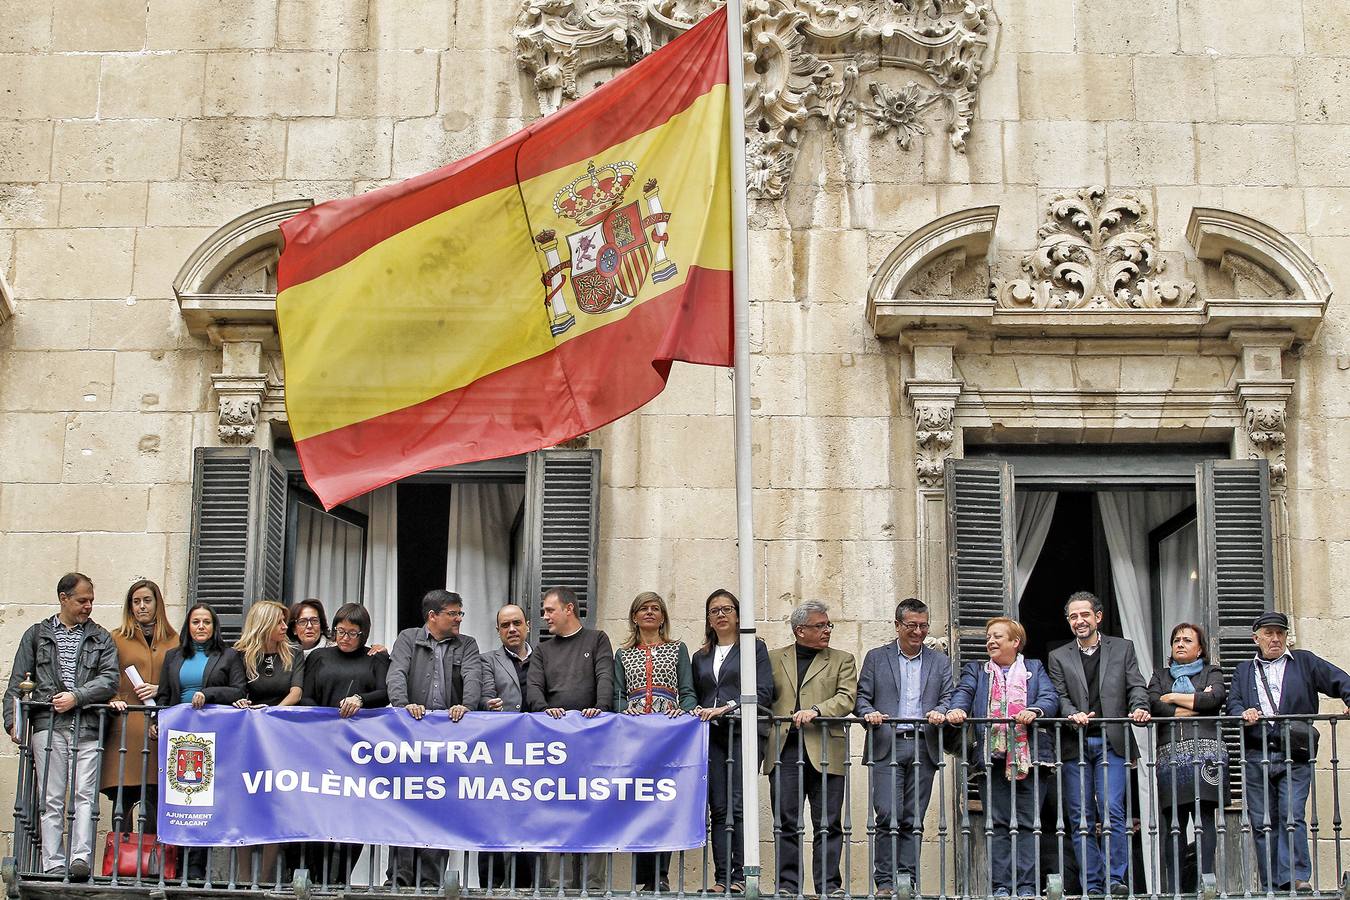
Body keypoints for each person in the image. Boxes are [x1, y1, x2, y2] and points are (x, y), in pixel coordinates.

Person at [3, 573, 119, 881]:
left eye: (91, 600)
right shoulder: (36, 634)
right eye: (82, 600)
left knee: (84, 795)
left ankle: (80, 858)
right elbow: (18, 683)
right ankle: (52, 862)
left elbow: (109, 680)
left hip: (88, 726)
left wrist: (76, 697)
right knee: (51, 797)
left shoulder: (101, 637)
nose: (88, 606)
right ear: (63, 598)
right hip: (48, 725)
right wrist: (13, 721)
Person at [1227, 611, 1350, 892]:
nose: (1275, 639)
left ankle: (1294, 877)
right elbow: (1233, 702)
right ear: (1255, 638)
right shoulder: (1244, 670)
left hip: (1295, 752)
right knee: (1261, 821)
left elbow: (1340, 679)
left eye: (1280, 633)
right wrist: (1242, 712)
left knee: (1292, 814)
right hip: (1257, 753)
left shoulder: (1304, 662)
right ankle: (1273, 884)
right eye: (1268, 633)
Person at [1046, 591, 1150, 897]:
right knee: (1080, 817)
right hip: (1073, 743)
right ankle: (1092, 884)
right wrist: (1071, 713)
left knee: (1113, 810)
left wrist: (1140, 707)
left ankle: (1114, 878)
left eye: (1085, 615)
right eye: (1073, 616)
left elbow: (1136, 686)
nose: (1079, 621)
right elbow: (1058, 695)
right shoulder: (1058, 655)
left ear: (1098, 617)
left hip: (1111, 741)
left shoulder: (1123, 648)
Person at [946, 617, 1058, 899]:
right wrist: (957, 711)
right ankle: (1000, 887)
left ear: (1015, 642)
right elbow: (963, 694)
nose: (990, 642)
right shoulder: (977, 670)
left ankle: (1027, 887)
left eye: (997, 637)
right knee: (996, 823)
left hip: (1030, 758)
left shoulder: (1034, 668)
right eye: (988, 637)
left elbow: (1050, 698)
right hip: (991, 757)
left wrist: (1034, 710)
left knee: (1027, 823)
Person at [855, 598, 953, 896]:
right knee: (887, 813)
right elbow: (861, 699)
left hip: (924, 745)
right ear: (897, 625)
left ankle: (906, 880)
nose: (918, 632)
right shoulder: (876, 657)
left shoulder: (940, 661)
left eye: (923, 626)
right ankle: (885, 882)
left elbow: (948, 697)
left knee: (914, 817)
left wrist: (941, 711)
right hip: (887, 743)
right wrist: (868, 714)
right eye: (911, 625)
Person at [386, 589, 483, 889]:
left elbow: (473, 677)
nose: (458, 619)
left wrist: (466, 706)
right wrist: (403, 707)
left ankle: (430, 881)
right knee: (404, 804)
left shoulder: (467, 644)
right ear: (432, 616)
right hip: (411, 736)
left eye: (459, 613)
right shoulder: (408, 638)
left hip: (448, 739)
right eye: (453, 613)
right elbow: (396, 674)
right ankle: (399, 881)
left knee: (439, 806)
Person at [765, 600, 858, 898]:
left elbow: (847, 699)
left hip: (826, 749)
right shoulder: (772, 658)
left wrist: (817, 709)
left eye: (828, 625)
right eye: (820, 625)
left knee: (828, 823)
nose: (826, 630)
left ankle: (829, 886)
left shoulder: (842, 659)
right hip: (784, 750)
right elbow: (761, 698)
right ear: (799, 630)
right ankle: (788, 885)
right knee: (786, 821)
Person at [525, 586, 614, 893]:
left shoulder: (597, 639)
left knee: (595, 812)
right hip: (554, 745)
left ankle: (594, 889)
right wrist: (546, 711)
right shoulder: (542, 650)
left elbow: (605, 676)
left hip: (593, 743)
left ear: (568, 609)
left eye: (549, 610)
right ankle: (556, 889)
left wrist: (600, 709)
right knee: (555, 814)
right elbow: (533, 689)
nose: (544, 616)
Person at [155, 602, 247, 881]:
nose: (201, 627)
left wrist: (208, 693)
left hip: (213, 737)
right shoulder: (173, 656)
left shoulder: (229, 656)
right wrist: (155, 722)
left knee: (205, 802)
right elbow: (163, 696)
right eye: (196, 622)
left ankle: (197, 867)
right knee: (180, 801)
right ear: (188, 626)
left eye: (206, 622)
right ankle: (178, 864)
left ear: (214, 627)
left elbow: (239, 690)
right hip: (179, 737)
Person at [613, 591, 697, 891]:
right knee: (640, 801)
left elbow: (687, 690)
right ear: (634, 617)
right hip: (636, 737)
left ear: (663, 617)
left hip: (669, 736)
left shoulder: (677, 649)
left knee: (666, 802)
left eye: (655, 608)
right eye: (643, 609)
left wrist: (683, 712)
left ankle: (661, 875)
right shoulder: (623, 654)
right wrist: (625, 709)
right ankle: (644, 876)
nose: (650, 612)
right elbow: (618, 693)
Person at [301, 603, 389, 886]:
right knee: (319, 812)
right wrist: (325, 717)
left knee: (354, 815)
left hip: (360, 750)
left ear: (363, 634)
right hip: (322, 746)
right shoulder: (318, 657)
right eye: (340, 631)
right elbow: (306, 696)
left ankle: (342, 879)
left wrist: (360, 699)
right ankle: (317, 878)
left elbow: (386, 693)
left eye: (352, 633)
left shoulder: (375, 657)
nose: (345, 638)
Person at [692, 588, 773, 895]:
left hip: (742, 734)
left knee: (738, 805)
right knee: (718, 807)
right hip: (711, 737)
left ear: (738, 615)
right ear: (709, 619)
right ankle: (721, 876)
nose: (721, 614)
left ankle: (740, 876)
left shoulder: (754, 649)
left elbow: (764, 692)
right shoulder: (700, 656)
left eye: (727, 609)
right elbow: (695, 694)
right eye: (715, 610)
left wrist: (727, 707)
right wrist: (698, 709)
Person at [1147, 622, 1227, 895]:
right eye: (1176, 640)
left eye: (1187, 640)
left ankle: (1206, 883)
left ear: (1200, 648)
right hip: (1170, 754)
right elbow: (1154, 705)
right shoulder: (1160, 675)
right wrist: (1194, 702)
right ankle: (1177, 888)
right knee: (1174, 823)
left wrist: (1173, 698)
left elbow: (1215, 699)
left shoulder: (1211, 672)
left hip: (1206, 754)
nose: (1180, 644)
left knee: (1204, 819)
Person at [233, 600, 305, 882]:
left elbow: (297, 692)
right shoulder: (241, 655)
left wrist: (273, 713)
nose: (286, 627)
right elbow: (238, 689)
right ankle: (242, 877)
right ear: (264, 624)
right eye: (280, 622)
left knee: (274, 806)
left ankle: (263, 877)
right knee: (246, 805)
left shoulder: (293, 654)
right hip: (248, 738)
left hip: (280, 735)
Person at [102, 579, 178, 841]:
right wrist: (112, 697)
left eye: (147, 600)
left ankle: (151, 863)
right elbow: (105, 675)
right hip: (126, 727)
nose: (142, 606)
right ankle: (120, 862)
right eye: (136, 602)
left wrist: (158, 688)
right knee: (123, 799)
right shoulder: (116, 638)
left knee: (154, 799)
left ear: (157, 603)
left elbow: (179, 681)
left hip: (158, 728)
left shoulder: (174, 640)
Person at [478, 603, 538, 889]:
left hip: (538, 753)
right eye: (505, 626)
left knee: (531, 817)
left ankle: (527, 885)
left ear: (527, 625)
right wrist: (488, 703)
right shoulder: (487, 660)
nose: (512, 629)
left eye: (516, 623)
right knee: (493, 815)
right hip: (500, 751)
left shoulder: (543, 658)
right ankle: (492, 883)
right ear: (498, 631)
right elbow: (483, 694)